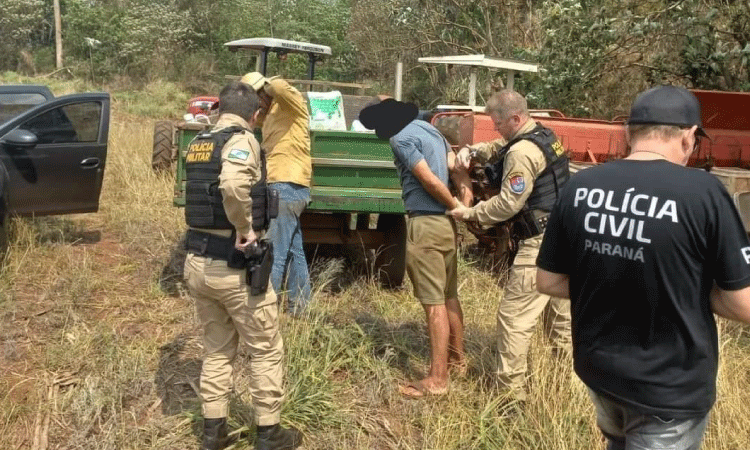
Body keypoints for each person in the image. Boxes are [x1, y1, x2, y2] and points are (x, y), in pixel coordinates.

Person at [536, 85, 750, 450]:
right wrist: (683, 288)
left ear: (628, 133)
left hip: (600, 374)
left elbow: (548, 280)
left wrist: (618, 280)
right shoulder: (702, 192)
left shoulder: (582, 185)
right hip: (668, 389)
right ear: (688, 137)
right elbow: (743, 303)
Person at [182, 81, 301, 450]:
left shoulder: (200, 142)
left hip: (198, 261)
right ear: (255, 114)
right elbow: (233, 186)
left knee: (217, 349)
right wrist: (246, 229)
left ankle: (213, 432)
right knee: (265, 348)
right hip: (232, 266)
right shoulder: (242, 139)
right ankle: (269, 433)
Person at [447, 89, 572, 403]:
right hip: (565, 240)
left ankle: (510, 399)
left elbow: (507, 204)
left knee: (514, 319)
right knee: (561, 324)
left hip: (539, 247)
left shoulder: (522, 153)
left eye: (499, 122)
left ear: (515, 118)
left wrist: (470, 213)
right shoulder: (543, 135)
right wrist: (474, 150)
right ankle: (564, 392)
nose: (496, 128)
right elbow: (502, 147)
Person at [359, 98, 466, 397]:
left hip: (426, 224)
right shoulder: (433, 132)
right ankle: (458, 362)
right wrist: (463, 204)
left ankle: (437, 379)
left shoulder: (401, 137)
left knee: (433, 305)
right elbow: (455, 169)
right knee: (449, 296)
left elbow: (428, 180)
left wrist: (453, 204)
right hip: (446, 226)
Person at [240, 72, 312, 316]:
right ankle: (300, 308)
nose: (258, 104)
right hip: (286, 186)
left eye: (258, 97)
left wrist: (263, 83)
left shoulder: (290, 105)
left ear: (263, 91)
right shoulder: (270, 115)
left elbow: (281, 87)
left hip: (286, 184)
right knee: (294, 252)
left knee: (275, 252)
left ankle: (264, 313)